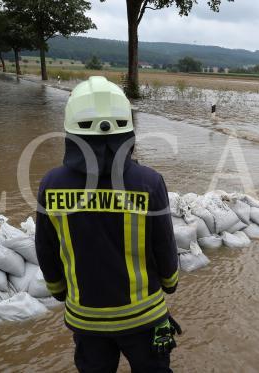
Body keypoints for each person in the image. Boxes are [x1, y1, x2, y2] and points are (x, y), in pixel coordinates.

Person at [35, 76, 180, 372]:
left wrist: (59, 290)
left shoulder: (51, 184)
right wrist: (170, 282)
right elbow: (164, 243)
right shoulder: (149, 182)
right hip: (144, 317)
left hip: (85, 318)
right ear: (127, 130)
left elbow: (46, 247)